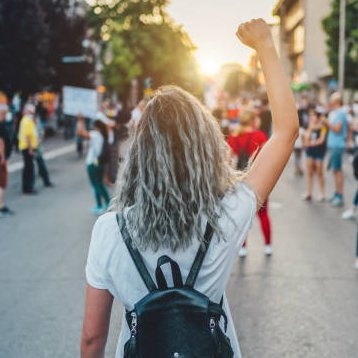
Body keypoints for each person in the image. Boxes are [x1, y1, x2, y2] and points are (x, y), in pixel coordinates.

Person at [81, 19, 299, 358]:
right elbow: (286, 131)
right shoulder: (225, 214)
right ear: (205, 147)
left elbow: (92, 339)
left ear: (139, 154)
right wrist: (266, 47)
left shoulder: (110, 231)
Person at [228, 110, 272, 257]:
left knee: (242, 215)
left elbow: (228, 162)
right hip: (260, 180)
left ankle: (243, 247)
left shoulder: (234, 138)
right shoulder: (260, 136)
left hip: (240, 181)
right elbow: (267, 159)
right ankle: (267, 246)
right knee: (263, 214)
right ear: (254, 121)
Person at [77, 114, 111, 215]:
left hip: (93, 163)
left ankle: (99, 205)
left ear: (97, 127)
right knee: (100, 184)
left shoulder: (95, 135)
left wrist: (80, 120)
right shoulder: (101, 136)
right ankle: (108, 203)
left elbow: (80, 133)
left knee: (95, 185)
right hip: (99, 163)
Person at [324, 92, 348, 207]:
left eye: (332, 100)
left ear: (336, 101)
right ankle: (337, 193)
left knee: (337, 171)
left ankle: (340, 196)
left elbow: (337, 129)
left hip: (337, 145)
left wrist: (326, 122)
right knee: (335, 171)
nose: (330, 102)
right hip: (333, 145)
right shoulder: (335, 113)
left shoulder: (341, 113)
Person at [302, 107, 327, 202]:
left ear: (318, 116)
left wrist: (310, 143)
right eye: (311, 115)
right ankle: (309, 193)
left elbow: (322, 140)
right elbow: (306, 137)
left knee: (319, 171)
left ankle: (321, 193)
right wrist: (310, 128)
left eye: (314, 115)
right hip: (310, 151)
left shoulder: (323, 126)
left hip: (319, 150)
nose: (312, 117)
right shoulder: (309, 125)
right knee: (309, 172)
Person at [18, 104, 39, 194]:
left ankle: (27, 188)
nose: (32, 114)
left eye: (33, 112)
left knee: (28, 168)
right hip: (27, 148)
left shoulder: (27, 120)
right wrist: (30, 149)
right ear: (26, 111)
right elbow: (27, 136)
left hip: (26, 148)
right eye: (31, 112)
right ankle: (28, 189)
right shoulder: (27, 121)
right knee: (29, 169)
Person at [0, 104, 14, 216]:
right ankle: (1, 206)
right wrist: (3, 158)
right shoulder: (1, 125)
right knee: (1, 183)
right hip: (1, 159)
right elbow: (1, 143)